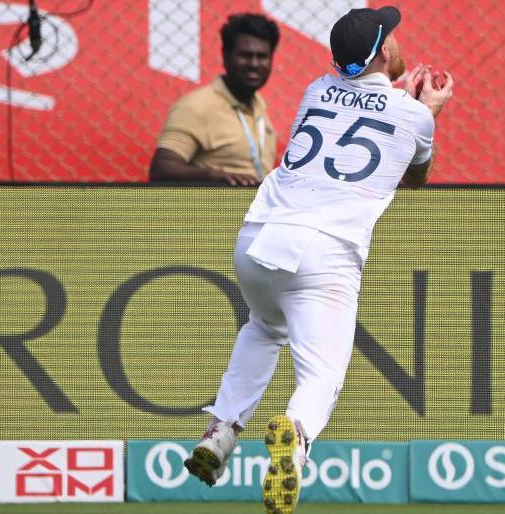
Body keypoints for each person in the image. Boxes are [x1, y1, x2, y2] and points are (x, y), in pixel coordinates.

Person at [183, 6, 454, 513]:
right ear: (383, 53)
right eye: (390, 37)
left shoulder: (314, 89)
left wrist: (401, 98)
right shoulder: (414, 115)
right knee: (322, 376)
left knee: (264, 327)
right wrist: (428, 111)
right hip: (324, 253)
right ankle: (297, 435)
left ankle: (219, 434)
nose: (396, 41)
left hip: (258, 239)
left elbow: (360, 98)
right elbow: (413, 179)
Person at [149, 13, 279, 186]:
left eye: (262, 56)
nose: (254, 64)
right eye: (246, 55)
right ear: (225, 56)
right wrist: (213, 176)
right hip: (210, 210)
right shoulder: (196, 106)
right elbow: (161, 168)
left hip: (252, 211)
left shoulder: (260, 109)